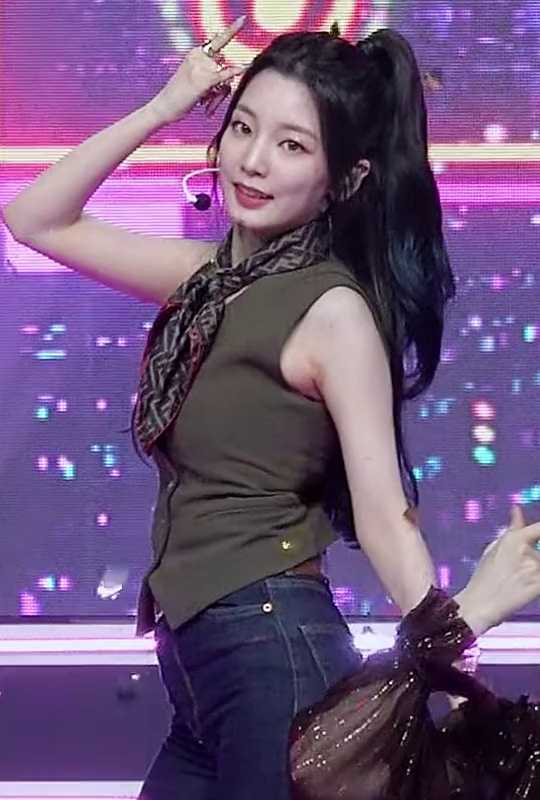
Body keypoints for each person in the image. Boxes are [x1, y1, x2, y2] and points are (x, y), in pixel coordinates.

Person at [3, 15, 540, 800]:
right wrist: (165, 104)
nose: (252, 161)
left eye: (292, 145)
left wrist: (457, 647)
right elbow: (34, 218)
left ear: (344, 180)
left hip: (271, 655)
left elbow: (385, 516)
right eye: (243, 128)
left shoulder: (332, 312)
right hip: (202, 682)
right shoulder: (208, 280)